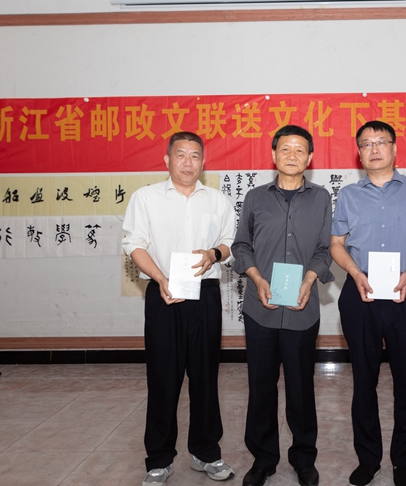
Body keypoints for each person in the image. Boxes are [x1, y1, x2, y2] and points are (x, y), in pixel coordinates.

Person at [330, 121, 406, 486]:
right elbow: (336, 244)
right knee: (363, 380)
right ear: (359, 152)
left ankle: (402, 462)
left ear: (394, 148)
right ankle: (368, 459)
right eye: (366, 143)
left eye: (381, 142)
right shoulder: (349, 195)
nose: (374, 148)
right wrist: (353, 272)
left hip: (404, 292)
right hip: (360, 292)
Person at [122, 132, 236, 486]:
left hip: (205, 296)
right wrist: (160, 278)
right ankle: (159, 458)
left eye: (195, 156)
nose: (188, 162)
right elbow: (134, 243)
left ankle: (206, 452)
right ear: (167, 159)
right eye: (181, 155)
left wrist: (213, 254)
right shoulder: (146, 198)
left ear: (204, 161)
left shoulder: (217, 200)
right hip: (164, 294)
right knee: (163, 378)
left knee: (205, 377)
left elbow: (229, 243)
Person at [231, 125, 334, 486]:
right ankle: (263, 459)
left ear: (310, 157)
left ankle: (304, 458)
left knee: (301, 388)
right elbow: (241, 245)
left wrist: (309, 279)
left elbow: (324, 249)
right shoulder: (255, 198)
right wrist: (257, 278)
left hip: (302, 310)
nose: (292, 155)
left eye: (299, 150)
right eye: (285, 149)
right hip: (261, 309)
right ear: (273, 154)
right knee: (261, 386)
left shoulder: (321, 198)